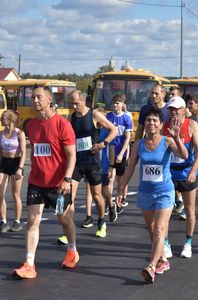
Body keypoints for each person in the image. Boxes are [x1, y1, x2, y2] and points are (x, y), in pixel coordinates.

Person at [116, 107, 188, 283]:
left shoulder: (167, 141)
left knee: (159, 229)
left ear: (160, 124)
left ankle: (151, 266)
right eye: (148, 120)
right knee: (151, 230)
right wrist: (121, 189)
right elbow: (131, 166)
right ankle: (163, 259)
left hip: (164, 191)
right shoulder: (139, 144)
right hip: (146, 192)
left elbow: (185, 155)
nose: (151, 123)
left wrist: (178, 138)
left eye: (155, 120)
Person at [13, 85, 77, 279]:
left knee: (64, 219)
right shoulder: (31, 124)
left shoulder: (62, 124)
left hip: (59, 182)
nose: (35, 101)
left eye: (39, 97)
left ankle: (72, 250)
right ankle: (29, 263)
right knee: (32, 220)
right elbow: (35, 151)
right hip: (37, 181)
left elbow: (72, 155)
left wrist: (67, 179)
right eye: (33, 97)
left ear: (50, 99)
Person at [67, 89, 117, 239]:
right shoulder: (72, 117)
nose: (74, 106)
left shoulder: (94, 114)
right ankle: (69, 229)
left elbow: (113, 130)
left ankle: (101, 222)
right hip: (77, 161)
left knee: (96, 195)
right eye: (72, 104)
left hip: (92, 161)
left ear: (83, 101)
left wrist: (103, 144)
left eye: (76, 103)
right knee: (71, 195)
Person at [163, 96, 198, 258]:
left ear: (183, 110)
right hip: (169, 174)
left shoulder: (191, 125)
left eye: (176, 109)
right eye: (170, 109)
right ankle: (165, 243)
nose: (173, 112)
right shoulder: (164, 126)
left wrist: (193, 171)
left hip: (187, 173)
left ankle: (188, 242)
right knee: (165, 211)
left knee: (190, 210)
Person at [0, 110, 26, 233]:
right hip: (4, 163)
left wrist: (20, 168)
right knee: (0, 194)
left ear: (9, 119)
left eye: (2, 118)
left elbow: (24, 153)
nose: (1, 120)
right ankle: (3, 221)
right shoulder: (1, 134)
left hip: (16, 163)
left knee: (15, 194)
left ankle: (17, 221)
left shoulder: (19, 133)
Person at [107, 94, 133, 209]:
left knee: (120, 179)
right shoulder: (108, 116)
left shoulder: (127, 119)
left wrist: (123, 153)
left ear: (123, 104)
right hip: (109, 151)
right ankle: (109, 202)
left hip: (120, 152)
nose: (115, 105)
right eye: (114, 103)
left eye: (117, 103)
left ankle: (120, 200)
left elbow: (127, 138)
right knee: (109, 179)